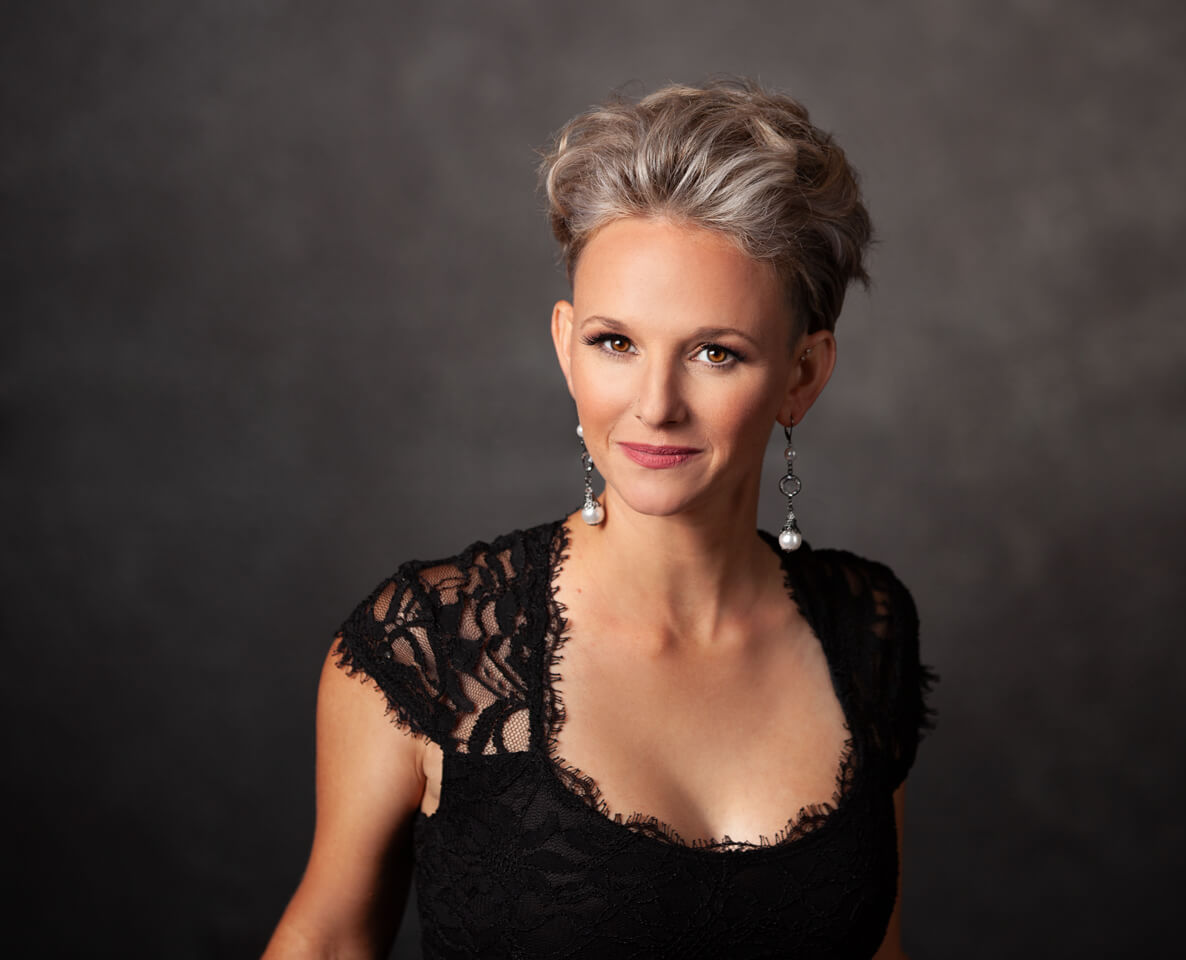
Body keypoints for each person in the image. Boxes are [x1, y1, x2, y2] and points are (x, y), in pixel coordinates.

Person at [264, 78, 935, 960]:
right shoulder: (428, 648)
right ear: (564, 345)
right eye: (614, 343)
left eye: (714, 352)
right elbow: (327, 941)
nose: (654, 405)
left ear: (803, 375)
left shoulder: (868, 627)